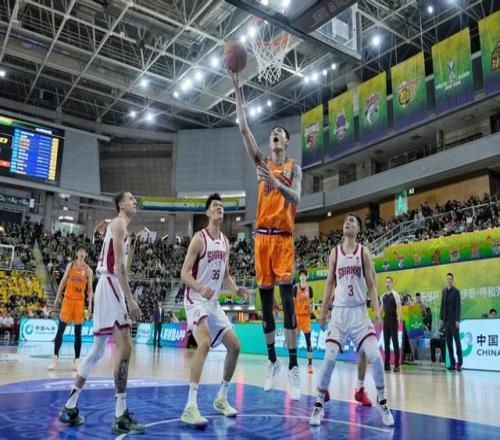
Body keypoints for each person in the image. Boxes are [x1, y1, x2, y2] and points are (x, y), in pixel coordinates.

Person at [231, 70, 303, 399]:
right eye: (272, 133)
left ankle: (293, 366)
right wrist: (237, 88)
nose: (274, 135)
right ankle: (273, 362)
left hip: (283, 240)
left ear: (286, 143)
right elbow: (243, 127)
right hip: (261, 239)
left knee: (287, 303)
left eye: (279, 134)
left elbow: (297, 197)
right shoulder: (261, 162)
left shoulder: (293, 168)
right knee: (265, 305)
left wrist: (276, 183)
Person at [58, 192, 144, 435]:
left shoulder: (116, 224)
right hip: (112, 283)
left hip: (107, 284)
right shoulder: (119, 223)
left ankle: (70, 406)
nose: (135, 201)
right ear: (121, 205)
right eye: (131, 198)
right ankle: (120, 415)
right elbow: (119, 266)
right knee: (125, 348)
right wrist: (130, 299)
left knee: (97, 351)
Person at [309, 213, 394, 427]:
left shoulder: (363, 252)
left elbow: (372, 284)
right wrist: (323, 311)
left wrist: (377, 311)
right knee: (329, 358)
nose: (348, 222)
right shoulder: (334, 253)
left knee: (376, 356)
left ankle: (382, 401)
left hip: (359, 313)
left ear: (358, 230)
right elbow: (329, 283)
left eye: (352, 221)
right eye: (346, 221)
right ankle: (318, 403)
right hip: (339, 313)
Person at [180, 193, 249, 428]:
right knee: (204, 343)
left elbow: (226, 276)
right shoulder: (199, 239)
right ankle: (190, 406)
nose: (219, 208)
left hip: (213, 302)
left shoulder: (226, 242)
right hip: (195, 299)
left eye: (221, 205)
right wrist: (200, 287)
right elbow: (184, 273)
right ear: (207, 212)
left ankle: (221, 398)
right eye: (215, 205)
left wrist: (237, 289)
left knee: (235, 346)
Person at [48, 246, 93, 371]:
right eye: (80, 251)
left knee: (78, 333)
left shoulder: (89, 270)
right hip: (67, 300)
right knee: (61, 329)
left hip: (79, 303)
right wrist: (57, 298)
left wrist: (90, 305)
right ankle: (55, 358)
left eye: (84, 252)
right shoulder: (70, 265)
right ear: (77, 253)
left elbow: (90, 289)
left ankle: (77, 360)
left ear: (86, 255)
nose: (82, 253)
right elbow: (63, 281)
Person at [439, 273, 462, 372]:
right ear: (446, 280)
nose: (449, 280)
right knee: (449, 343)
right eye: (447, 279)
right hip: (446, 321)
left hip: (454, 321)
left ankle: (459, 364)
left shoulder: (456, 292)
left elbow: (458, 306)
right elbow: (442, 306)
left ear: (453, 280)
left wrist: (457, 320)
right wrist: (441, 319)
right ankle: (452, 363)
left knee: (457, 342)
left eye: (450, 279)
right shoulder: (444, 291)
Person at [293, 269, 314, 374]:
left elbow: (312, 302)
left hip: (306, 318)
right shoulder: (295, 288)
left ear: (306, 277)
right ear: (299, 277)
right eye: (301, 275)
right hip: (297, 317)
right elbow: (292, 302)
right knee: (293, 341)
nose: (302, 276)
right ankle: (294, 363)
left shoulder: (309, 288)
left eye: (304, 275)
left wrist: (312, 309)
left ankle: (310, 364)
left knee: (308, 342)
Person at [380, 276, 401, 372]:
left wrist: (398, 317)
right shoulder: (383, 296)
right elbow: (381, 308)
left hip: (393, 320)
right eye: (386, 282)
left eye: (389, 282)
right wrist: (378, 316)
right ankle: (387, 365)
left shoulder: (395, 294)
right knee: (386, 343)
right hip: (386, 320)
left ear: (392, 283)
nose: (387, 284)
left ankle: (397, 365)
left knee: (395, 343)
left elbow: (399, 307)